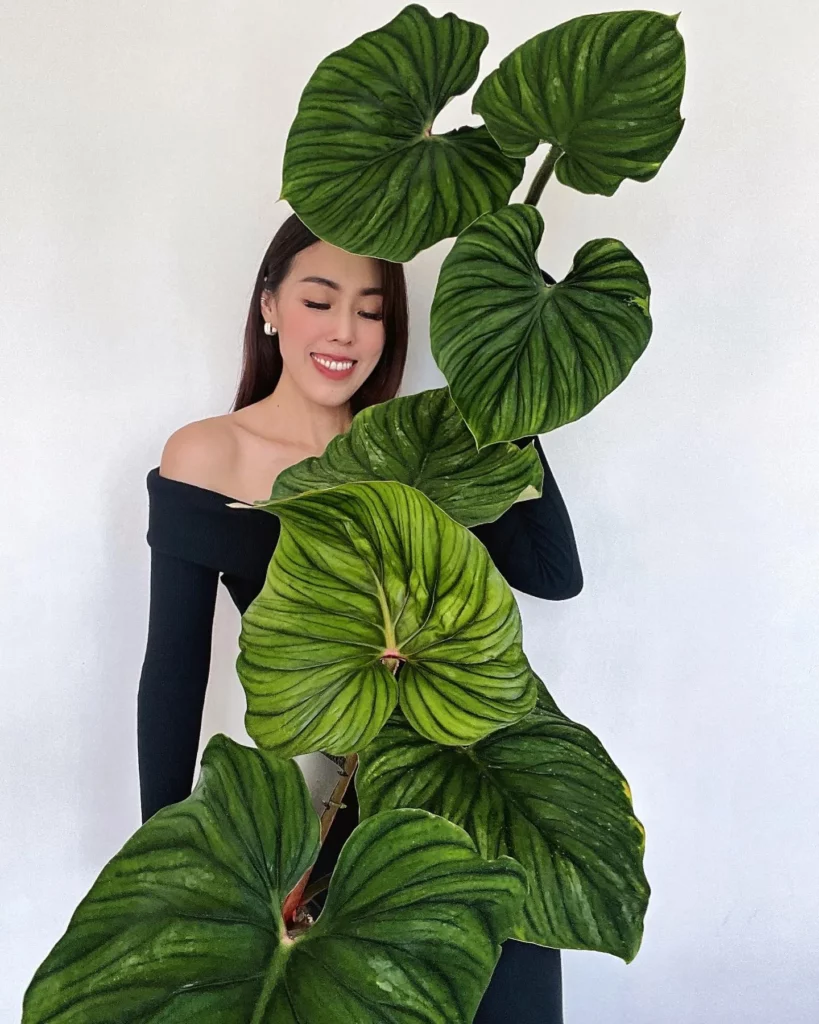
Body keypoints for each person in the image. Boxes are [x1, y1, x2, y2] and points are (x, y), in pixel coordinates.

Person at [137, 211, 583, 1023]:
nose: (345, 330)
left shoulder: (416, 449)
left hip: (463, 784)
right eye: (319, 300)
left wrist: (508, 357)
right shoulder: (209, 456)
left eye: (373, 311)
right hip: (318, 813)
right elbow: (173, 668)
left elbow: (554, 574)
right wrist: (162, 869)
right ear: (268, 305)